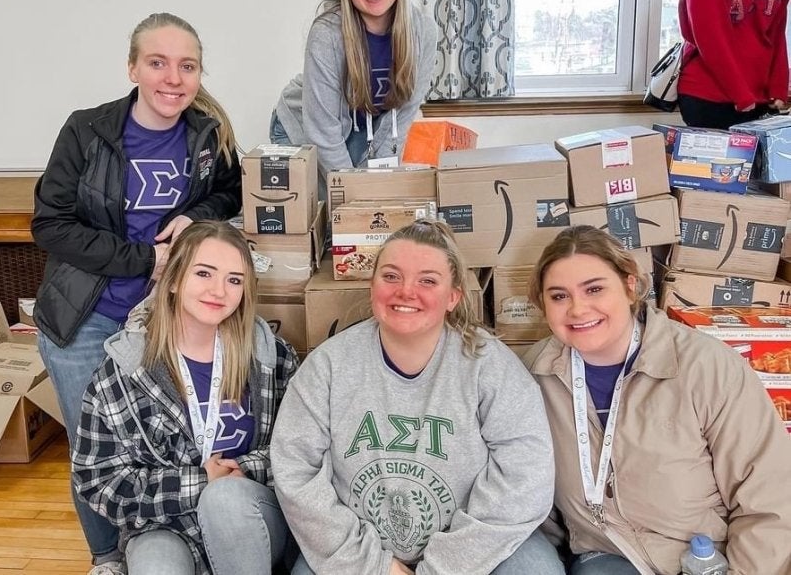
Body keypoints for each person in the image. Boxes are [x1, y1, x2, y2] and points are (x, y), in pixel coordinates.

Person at [31, 12, 242, 574]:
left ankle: (164, 549)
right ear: (132, 68)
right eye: (158, 63)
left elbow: (229, 193)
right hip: (86, 319)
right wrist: (144, 257)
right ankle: (108, 559)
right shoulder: (87, 130)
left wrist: (195, 214)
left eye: (187, 66)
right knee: (95, 454)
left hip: (164, 321)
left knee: (159, 447)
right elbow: (50, 224)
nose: (173, 78)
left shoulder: (208, 131)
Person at [272, 219, 564, 575]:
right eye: (391, 276)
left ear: (453, 296)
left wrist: (443, 567)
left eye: (427, 280)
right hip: (358, 554)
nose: (406, 291)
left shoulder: (490, 368)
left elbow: (524, 480)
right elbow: (296, 470)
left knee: (535, 568)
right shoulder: (328, 366)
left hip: (473, 553)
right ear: (372, 285)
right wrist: (375, 566)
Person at [524, 225, 791, 575]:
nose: (577, 308)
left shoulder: (706, 366)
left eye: (594, 289)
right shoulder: (532, 375)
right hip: (607, 554)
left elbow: (770, 496)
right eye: (559, 296)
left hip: (707, 558)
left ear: (630, 285)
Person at [71, 220, 297, 575]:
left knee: (224, 500)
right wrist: (199, 480)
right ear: (173, 279)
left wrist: (241, 471)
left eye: (234, 280)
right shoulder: (124, 370)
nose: (219, 291)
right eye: (204, 274)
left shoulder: (271, 358)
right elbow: (98, 479)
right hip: (164, 525)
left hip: (248, 515)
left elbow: (302, 450)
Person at [270, 0, 436, 194]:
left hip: (366, 132)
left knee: (371, 213)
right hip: (304, 131)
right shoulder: (327, 33)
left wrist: (378, 183)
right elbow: (322, 131)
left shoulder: (423, 31)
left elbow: (404, 113)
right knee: (333, 221)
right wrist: (356, 194)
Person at [677, 0, 790, 130]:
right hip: (711, 97)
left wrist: (779, 88)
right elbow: (709, 37)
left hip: (758, 99)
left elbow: (777, 33)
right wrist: (741, 94)